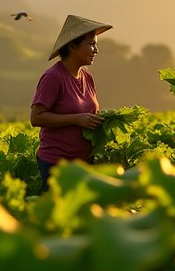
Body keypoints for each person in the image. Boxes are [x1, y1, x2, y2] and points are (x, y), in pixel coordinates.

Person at [30, 14, 113, 192]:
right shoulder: (53, 77)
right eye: (91, 44)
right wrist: (76, 119)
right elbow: (36, 118)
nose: (96, 50)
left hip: (84, 164)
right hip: (57, 165)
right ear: (73, 46)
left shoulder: (88, 77)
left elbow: (88, 114)